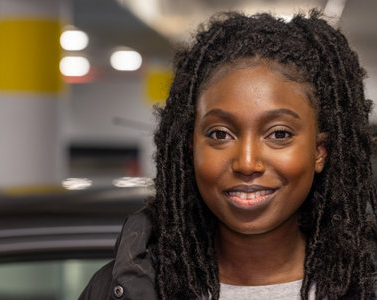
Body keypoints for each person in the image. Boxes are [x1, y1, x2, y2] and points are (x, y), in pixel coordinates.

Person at [80, 10, 377, 300]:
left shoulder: (366, 284)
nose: (247, 163)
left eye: (279, 134)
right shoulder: (120, 289)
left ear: (319, 151)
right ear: (191, 147)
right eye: (220, 134)